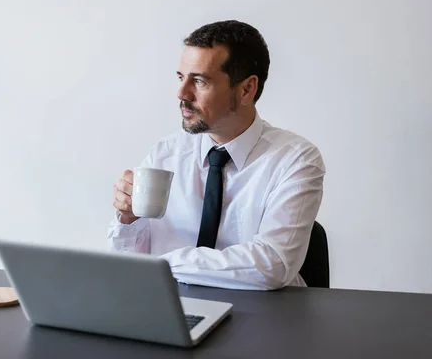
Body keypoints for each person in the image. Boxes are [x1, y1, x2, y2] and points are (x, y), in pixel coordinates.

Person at [109, 20, 326, 290]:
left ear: (247, 89)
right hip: (176, 311)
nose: (181, 93)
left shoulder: (295, 160)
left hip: (268, 317)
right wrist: (129, 219)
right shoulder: (165, 153)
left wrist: (164, 264)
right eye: (181, 77)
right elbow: (131, 263)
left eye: (199, 81)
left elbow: (272, 265)